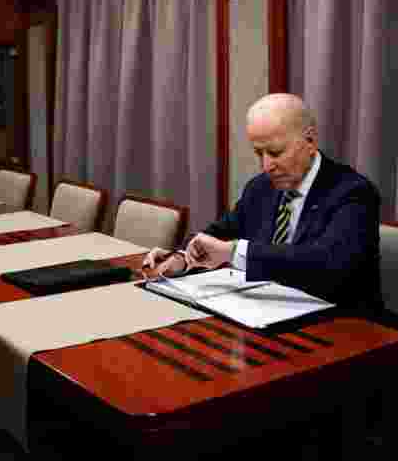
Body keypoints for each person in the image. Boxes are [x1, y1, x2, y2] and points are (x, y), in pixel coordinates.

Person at [142, 93, 383, 315]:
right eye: (259, 153)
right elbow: (220, 232)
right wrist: (183, 257)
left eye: (276, 152)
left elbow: (327, 262)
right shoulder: (260, 188)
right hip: (264, 312)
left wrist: (234, 252)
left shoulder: (353, 192)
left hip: (340, 325)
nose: (266, 166)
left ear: (310, 141)